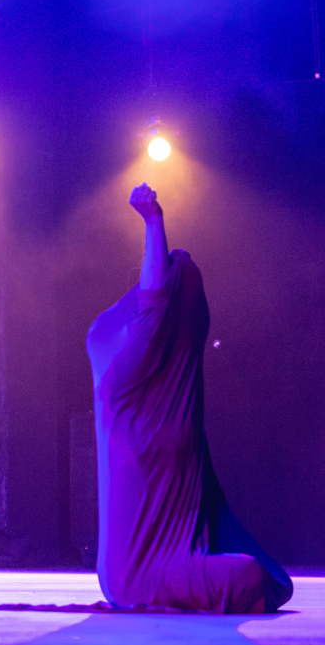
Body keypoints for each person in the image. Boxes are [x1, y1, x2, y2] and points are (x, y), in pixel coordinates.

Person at [86, 183, 293, 612]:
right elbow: (157, 299)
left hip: (127, 574)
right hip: (139, 576)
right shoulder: (131, 374)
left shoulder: (170, 386)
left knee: (264, 578)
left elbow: (162, 304)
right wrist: (154, 222)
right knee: (255, 577)